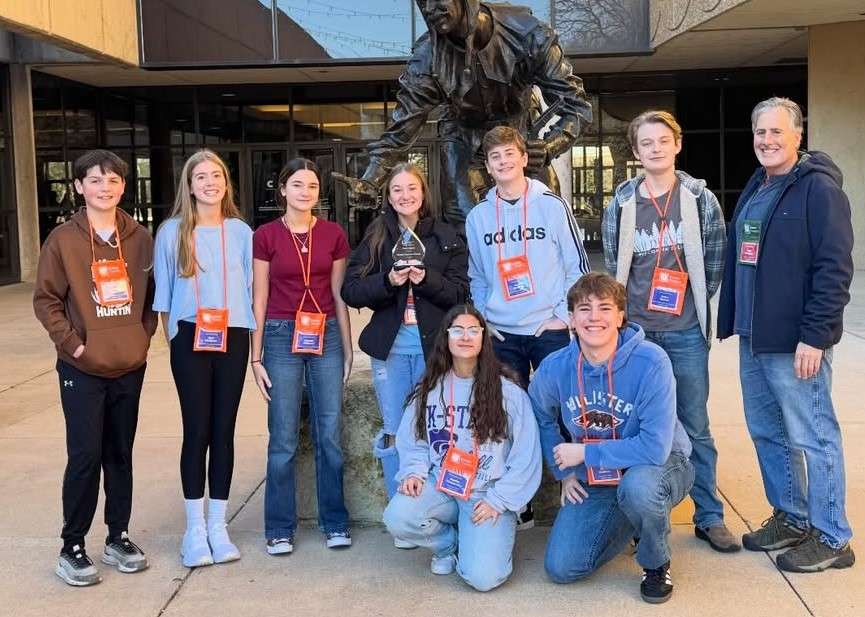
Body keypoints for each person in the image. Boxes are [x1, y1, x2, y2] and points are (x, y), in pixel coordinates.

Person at [717, 97, 855, 572]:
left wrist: (815, 337)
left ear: (799, 136)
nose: (767, 141)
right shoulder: (759, 184)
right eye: (760, 133)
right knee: (768, 433)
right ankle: (792, 517)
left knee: (814, 436)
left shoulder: (818, 190)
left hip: (796, 342)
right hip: (754, 338)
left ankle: (833, 535)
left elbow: (833, 268)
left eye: (778, 132)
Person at [600, 110, 737, 552]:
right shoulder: (622, 202)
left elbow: (714, 264)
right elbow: (613, 264)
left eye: (663, 140)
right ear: (636, 151)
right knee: (638, 423)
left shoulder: (699, 199)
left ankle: (709, 515)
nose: (655, 148)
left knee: (695, 425)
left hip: (685, 332)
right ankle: (642, 512)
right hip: (637, 335)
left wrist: (691, 306)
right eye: (646, 143)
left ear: (677, 145)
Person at [340, 0, 592, 223]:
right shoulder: (427, 58)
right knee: (465, 216)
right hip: (463, 134)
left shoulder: (529, 34)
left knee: (547, 208)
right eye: (422, 1)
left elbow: (576, 106)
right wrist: (371, 178)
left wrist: (549, 147)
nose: (429, 8)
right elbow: (402, 128)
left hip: (519, 132)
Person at [529, 273, 694, 604]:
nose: (594, 318)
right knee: (562, 568)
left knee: (640, 489)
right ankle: (635, 520)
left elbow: (653, 447)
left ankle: (655, 560)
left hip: (660, 466)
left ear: (620, 316)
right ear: (571, 319)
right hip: (598, 476)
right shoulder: (556, 367)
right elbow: (540, 413)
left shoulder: (651, 361)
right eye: (584, 309)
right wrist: (563, 472)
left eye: (605, 308)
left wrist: (584, 454)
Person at [34, 150, 157, 586]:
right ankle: (72, 545)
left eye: (112, 181)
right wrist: (74, 345)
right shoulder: (62, 240)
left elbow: (151, 298)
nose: (105, 187)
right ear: (79, 187)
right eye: (95, 180)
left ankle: (118, 535)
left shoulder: (141, 238)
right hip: (82, 367)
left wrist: (142, 338)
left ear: (124, 186)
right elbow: (46, 300)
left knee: (119, 454)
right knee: (85, 455)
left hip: (129, 364)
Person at [466, 126, 590, 527]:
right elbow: (477, 277)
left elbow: (578, 266)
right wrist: (485, 317)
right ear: (487, 167)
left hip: (548, 329)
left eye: (508, 154)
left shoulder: (551, 206)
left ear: (523, 158)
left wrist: (562, 314)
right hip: (503, 333)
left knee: (568, 411)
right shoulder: (479, 216)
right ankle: (521, 502)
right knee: (507, 419)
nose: (502, 162)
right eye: (494, 158)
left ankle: (582, 492)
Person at [383, 304, 541, 591]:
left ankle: (482, 538)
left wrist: (499, 500)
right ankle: (448, 545)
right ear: (446, 338)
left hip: (485, 492)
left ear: (483, 339)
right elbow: (415, 439)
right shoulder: (431, 388)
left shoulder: (508, 392)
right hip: (441, 483)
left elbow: (526, 456)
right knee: (398, 516)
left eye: (473, 330)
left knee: (483, 579)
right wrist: (414, 472)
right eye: (457, 330)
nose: (465, 337)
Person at [341, 163, 468, 506]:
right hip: (392, 352)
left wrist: (425, 279)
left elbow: (460, 295)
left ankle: (438, 505)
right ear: (388, 196)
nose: (405, 196)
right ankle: (403, 511)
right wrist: (388, 282)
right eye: (397, 189)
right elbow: (350, 291)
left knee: (438, 430)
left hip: (436, 351)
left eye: (412, 188)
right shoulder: (377, 234)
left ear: (423, 193)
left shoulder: (444, 235)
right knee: (396, 431)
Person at [153, 149, 256, 568]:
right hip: (191, 335)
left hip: (231, 335)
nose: (210, 183)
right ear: (189, 185)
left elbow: (251, 286)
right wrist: (174, 336)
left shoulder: (241, 232)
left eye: (217, 175)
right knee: (196, 431)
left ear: (226, 183)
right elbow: (162, 296)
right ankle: (194, 530)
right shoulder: (172, 232)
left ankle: (218, 525)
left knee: (224, 431)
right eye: (201, 177)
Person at [251, 158, 354, 555]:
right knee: (283, 437)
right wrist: (255, 356)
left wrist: (346, 348)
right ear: (282, 190)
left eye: (312, 186)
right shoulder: (266, 235)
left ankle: (335, 521)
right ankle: (279, 526)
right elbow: (259, 296)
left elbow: (340, 295)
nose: (305, 192)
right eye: (297, 184)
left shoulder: (333, 234)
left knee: (330, 434)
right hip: (279, 335)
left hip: (325, 332)